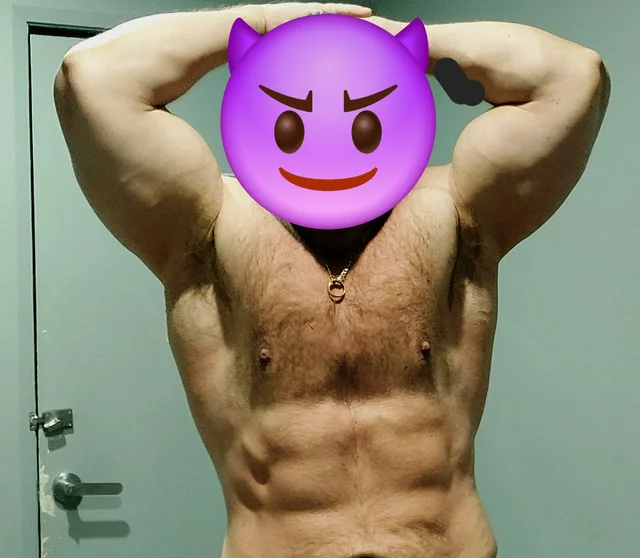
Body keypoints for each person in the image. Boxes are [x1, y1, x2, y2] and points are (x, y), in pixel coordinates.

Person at [53, 3, 610, 557]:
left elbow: (574, 76)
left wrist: (390, 39)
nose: (329, 136)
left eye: (359, 118)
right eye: (298, 119)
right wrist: (269, 25)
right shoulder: (211, 223)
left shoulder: (454, 210)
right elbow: (90, 78)